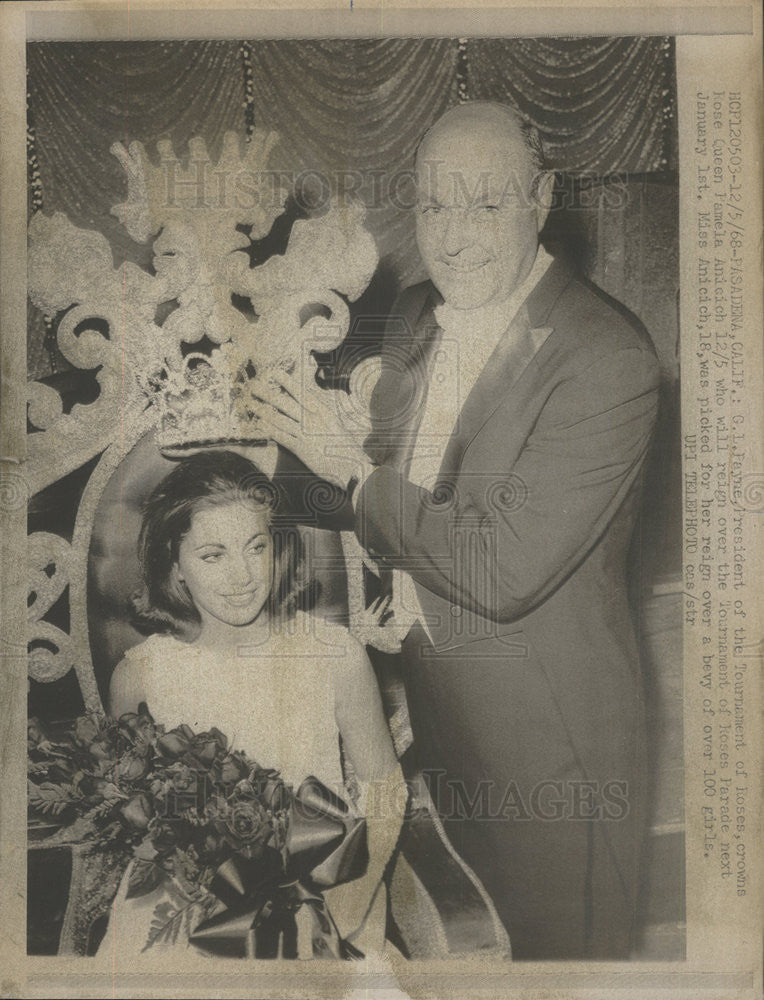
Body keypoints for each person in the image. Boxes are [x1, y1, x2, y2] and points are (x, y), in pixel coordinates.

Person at [250, 101, 661, 959]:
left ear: (541, 198)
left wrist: (355, 477)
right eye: (436, 206)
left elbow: (501, 564)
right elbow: (425, 481)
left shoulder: (606, 359)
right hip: (445, 721)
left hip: (551, 751)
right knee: (474, 954)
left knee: (563, 966)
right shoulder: (411, 313)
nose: (455, 236)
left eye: (486, 204)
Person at [97, 449, 406, 961]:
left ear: (277, 547)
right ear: (175, 566)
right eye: (212, 555)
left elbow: (386, 793)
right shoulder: (141, 675)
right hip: (180, 909)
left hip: (320, 893)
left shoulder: (332, 653)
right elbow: (134, 814)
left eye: (254, 547)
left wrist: (352, 901)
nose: (241, 576)